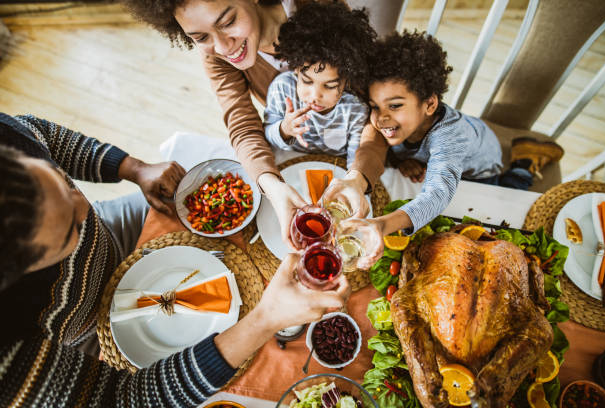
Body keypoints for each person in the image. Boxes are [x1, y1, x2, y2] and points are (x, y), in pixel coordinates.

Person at [0, 113, 350, 407]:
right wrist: (264, 320)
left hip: (112, 232)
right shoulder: (8, 360)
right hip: (87, 330)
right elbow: (123, 398)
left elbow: (38, 134)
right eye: (68, 230)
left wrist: (133, 168)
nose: (83, 207)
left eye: (65, 186)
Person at [120, 0, 386, 246]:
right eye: (200, 37)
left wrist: (357, 178)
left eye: (227, 22)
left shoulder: (319, 9)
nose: (224, 47)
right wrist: (272, 186)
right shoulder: (217, 55)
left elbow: (375, 106)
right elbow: (243, 126)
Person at [360, 31, 564, 236]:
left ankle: (525, 161)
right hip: (442, 156)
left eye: (394, 106)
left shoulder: (450, 137)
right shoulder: (402, 125)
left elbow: (437, 196)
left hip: (481, 168)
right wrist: (400, 162)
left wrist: (383, 225)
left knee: (502, 199)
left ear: (430, 104)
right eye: (375, 106)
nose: (380, 119)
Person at [263, 2, 373, 167]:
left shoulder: (355, 108)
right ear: (295, 69)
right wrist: (284, 129)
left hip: (336, 170)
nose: (315, 96)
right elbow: (267, 133)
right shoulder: (281, 89)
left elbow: (355, 159)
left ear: (347, 81)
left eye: (329, 86)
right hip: (290, 165)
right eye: (307, 81)